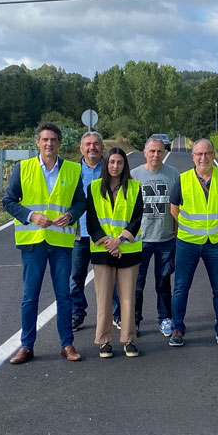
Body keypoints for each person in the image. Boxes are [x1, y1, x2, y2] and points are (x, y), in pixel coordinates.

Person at [1, 123, 86, 364]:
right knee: (30, 297)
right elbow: (8, 201)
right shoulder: (23, 168)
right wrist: (31, 216)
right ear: (37, 142)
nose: (49, 143)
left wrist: (70, 215)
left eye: (53, 139)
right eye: (44, 139)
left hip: (60, 241)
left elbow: (81, 202)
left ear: (60, 143)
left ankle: (67, 344)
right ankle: (26, 346)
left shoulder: (72, 169)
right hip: (33, 241)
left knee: (64, 295)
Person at [170, 139, 218, 346]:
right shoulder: (183, 179)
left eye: (207, 154)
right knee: (181, 287)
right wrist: (188, 227)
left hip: (216, 242)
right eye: (199, 154)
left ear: (213, 155)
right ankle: (177, 330)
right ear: (193, 157)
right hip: (188, 242)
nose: (203, 158)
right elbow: (174, 207)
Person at [117, 136, 180, 336]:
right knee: (136, 284)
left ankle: (165, 318)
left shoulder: (173, 174)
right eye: (151, 151)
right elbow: (126, 210)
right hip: (139, 240)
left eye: (159, 151)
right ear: (145, 153)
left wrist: (177, 235)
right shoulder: (134, 176)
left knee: (163, 282)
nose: (155, 155)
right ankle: (134, 320)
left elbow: (178, 207)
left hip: (165, 238)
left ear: (164, 152)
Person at [87, 148, 144, 359]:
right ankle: (104, 341)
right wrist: (108, 243)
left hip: (128, 250)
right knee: (103, 299)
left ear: (124, 165)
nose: (115, 166)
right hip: (102, 251)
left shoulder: (135, 187)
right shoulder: (93, 188)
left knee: (128, 298)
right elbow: (92, 220)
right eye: (111, 162)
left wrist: (118, 241)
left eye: (119, 163)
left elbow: (137, 218)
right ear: (106, 164)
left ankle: (129, 340)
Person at [69, 131, 105, 330]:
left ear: (102, 147)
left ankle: (116, 314)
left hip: (106, 234)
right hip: (80, 234)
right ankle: (77, 314)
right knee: (76, 278)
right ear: (81, 148)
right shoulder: (72, 170)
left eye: (96, 144)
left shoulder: (111, 168)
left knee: (112, 279)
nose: (93, 148)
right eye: (88, 144)